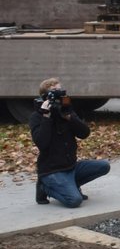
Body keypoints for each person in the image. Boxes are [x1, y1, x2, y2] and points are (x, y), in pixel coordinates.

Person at [29, 78, 110, 208]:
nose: (59, 96)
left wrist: (70, 118)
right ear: (45, 97)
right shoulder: (37, 116)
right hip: (52, 171)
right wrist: (46, 117)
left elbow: (84, 133)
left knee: (104, 166)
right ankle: (44, 187)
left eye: (61, 92)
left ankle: (71, 184)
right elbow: (42, 144)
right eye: (54, 93)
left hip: (71, 166)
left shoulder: (66, 111)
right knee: (74, 200)